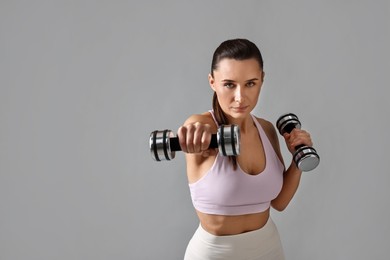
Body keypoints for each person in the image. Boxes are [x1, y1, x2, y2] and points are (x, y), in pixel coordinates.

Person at [178, 39, 314, 260]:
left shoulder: (268, 130)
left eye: (250, 83)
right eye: (229, 84)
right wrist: (192, 135)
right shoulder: (204, 128)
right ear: (212, 82)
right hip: (215, 254)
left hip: (268, 249)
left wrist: (298, 160)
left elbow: (279, 203)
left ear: (262, 80)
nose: (240, 97)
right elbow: (192, 129)